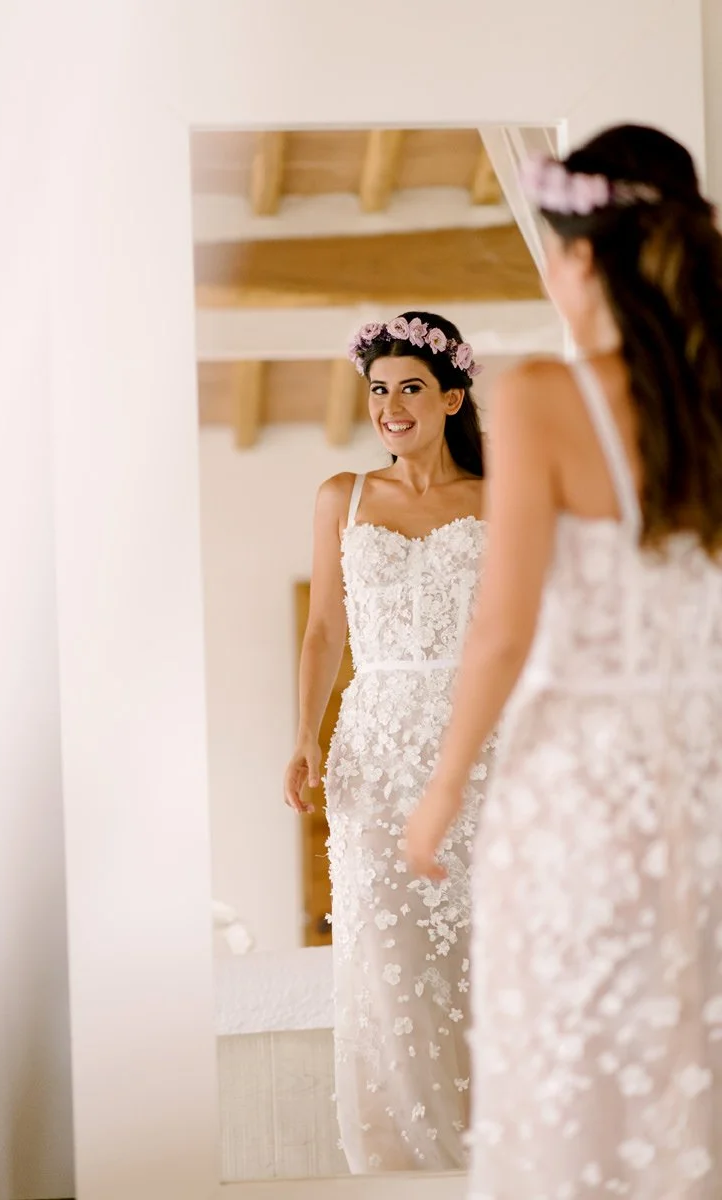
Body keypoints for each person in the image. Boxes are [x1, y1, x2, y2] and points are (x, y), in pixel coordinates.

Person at [406, 125, 722, 1197]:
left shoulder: (544, 394)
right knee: (691, 1058)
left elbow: (499, 632)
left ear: (581, 256)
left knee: (570, 1061)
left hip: (581, 783)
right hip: (705, 771)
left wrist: (438, 794)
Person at [283, 312, 493, 1173]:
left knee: (482, 953)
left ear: (451, 397)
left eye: (411, 387)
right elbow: (324, 630)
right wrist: (303, 736)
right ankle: (409, 1170)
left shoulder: (497, 497)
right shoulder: (343, 495)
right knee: (387, 958)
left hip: (478, 747)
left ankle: (498, 1160)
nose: (391, 406)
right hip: (373, 745)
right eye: (378, 390)